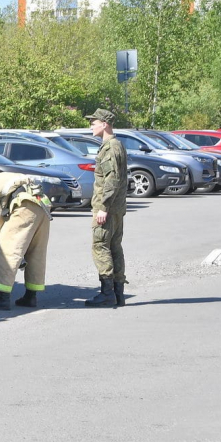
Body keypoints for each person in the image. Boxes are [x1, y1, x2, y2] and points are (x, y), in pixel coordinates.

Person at [0, 162, 52, 311]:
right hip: (42, 204)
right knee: (36, 251)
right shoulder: (6, 176)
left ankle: (1, 297)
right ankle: (30, 296)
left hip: (25, 205)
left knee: (6, 250)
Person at [84, 108, 128, 307]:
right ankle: (118, 293)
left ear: (105, 124)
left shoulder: (110, 147)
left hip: (108, 208)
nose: (91, 126)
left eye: (94, 122)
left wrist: (103, 207)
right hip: (116, 208)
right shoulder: (116, 145)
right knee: (114, 247)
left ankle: (107, 293)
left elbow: (112, 180)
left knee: (100, 246)